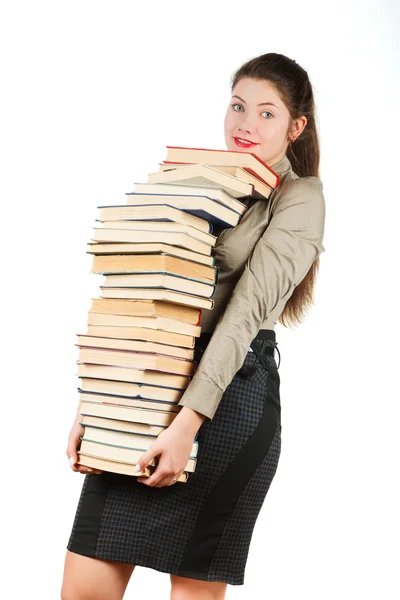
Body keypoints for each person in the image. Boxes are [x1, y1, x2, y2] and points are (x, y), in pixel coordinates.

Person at [61, 52, 326, 599]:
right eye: (237, 107)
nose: (245, 124)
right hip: (149, 387)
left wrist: (186, 428)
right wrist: (98, 404)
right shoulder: (195, 178)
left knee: (193, 591)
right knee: (84, 585)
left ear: (296, 127)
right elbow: (140, 295)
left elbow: (244, 315)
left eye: (266, 113)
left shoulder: (300, 198)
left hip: (228, 400)